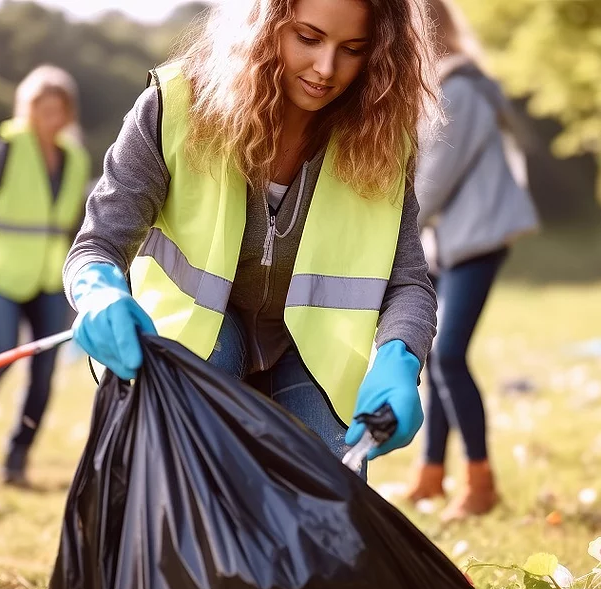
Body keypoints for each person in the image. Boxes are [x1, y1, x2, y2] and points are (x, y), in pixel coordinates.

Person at [63, 0, 439, 475]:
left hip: (315, 357)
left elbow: (406, 282)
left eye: (353, 49)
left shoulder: (384, 138)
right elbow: (98, 243)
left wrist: (400, 358)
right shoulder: (175, 105)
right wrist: (96, 291)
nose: (326, 69)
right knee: (187, 475)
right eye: (307, 38)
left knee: (333, 497)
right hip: (198, 340)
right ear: (266, 26)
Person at [407, 0, 540, 520]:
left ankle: (481, 482)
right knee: (435, 358)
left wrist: (392, 236)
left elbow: (434, 178)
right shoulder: (441, 87)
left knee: (449, 356)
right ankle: (430, 475)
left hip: (477, 239)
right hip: (452, 243)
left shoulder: (460, 87)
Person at [0, 65, 91, 485]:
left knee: (44, 374)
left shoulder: (75, 158)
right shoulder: (6, 149)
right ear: (27, 110)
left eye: (58, 110)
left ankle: (16, 462)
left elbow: (82, 225)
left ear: (67, 113)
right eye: (42, 109)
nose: (51, 118)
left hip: (48, 279)